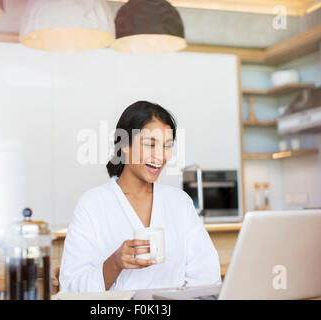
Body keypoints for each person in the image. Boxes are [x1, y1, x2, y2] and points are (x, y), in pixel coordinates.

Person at [59, 101, 221, 292]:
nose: (160, 156)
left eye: (167, 146)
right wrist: (115, 263)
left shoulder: (180, 203)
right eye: (150, 144)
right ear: (125, 145)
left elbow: (206, 277)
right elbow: (71, 287)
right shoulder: (92, 205)